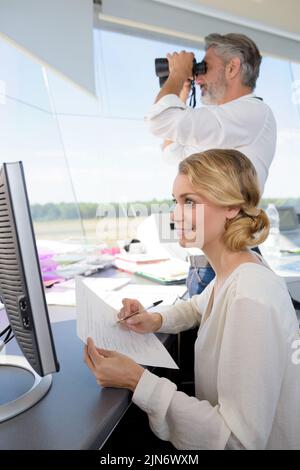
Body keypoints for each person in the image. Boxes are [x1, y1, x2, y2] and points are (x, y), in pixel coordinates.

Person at [84, 149, 300, 450]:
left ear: (233, 207)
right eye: (176, 201)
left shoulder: (252, 296)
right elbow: (201, 305)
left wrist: (137, 380)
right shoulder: (235, 269)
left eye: (190, 202)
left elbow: (237, 442)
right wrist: (155, 319)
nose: (174, 215)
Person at [146, 33, 277, 296]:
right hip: (207, 256)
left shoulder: (251, 112)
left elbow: (159, 120)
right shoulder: (223, 126)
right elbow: (173, 152)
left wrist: (176, 75)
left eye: (204, 67)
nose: (199, 77)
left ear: (233, 67)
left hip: (227, 249)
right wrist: (182, 93)